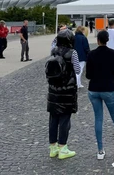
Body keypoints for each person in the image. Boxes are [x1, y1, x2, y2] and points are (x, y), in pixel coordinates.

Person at [86, 30, 114, 160]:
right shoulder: (113, 54)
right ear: (107, 40)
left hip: (94, 89)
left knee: (98, 118)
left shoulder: (91, 54)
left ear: (98, 40)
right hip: (108, 89)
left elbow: (88, 75)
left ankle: (100, 151)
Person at [47, 29, 80, 160]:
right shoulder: (73, 53)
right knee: (65, 120)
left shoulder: (53, 51)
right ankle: (63, 148)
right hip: (67, 90)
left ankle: (53, 147)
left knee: (53, 119)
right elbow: (77, 69)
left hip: (53, 89)